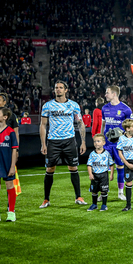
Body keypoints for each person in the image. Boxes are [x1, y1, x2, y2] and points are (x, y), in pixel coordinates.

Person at [39, 81, 87, 209]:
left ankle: (78, 197)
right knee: (49, 169)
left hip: (69, 141)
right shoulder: (47, 106)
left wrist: (83, 141)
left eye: (61, 88)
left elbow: (80, 123)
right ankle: (46, 199)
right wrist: (43, 144)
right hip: (53, 141)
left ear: (66, 90)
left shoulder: (73, 105)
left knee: (73, 168)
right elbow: (43, 125)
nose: (58, 90)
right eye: (56, 88)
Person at [101, 85, 133, 200]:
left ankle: (120, 193)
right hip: (107, 144)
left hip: (119, 144)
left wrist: (126, 137)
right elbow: (103, 124)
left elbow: (131, 126)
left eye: (107, 92)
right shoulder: (104, 108)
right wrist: (101, 137)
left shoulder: (126, 109)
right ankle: (103, 193)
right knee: (103, 168)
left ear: (114, 94)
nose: (105, 95)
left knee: (120, 166)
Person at [86, 134, 115, 211]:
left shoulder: (107, 154)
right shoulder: (92, 154)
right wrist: (90, 174)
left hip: (104, 175)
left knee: (104, 191)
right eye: (95, 141)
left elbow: (111, 164)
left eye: (98, 141)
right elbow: (89, 165)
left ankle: (104, 205)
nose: (96, 143)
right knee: (94, 191)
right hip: (95, 175)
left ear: (103, 143)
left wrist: (111, 174)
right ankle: (94, 204)